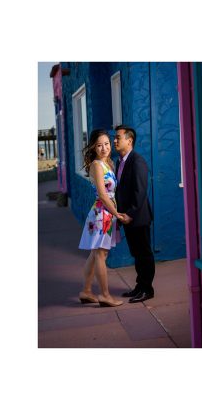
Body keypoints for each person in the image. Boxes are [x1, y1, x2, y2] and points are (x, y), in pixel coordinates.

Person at [78, 129, 124, 307]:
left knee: (96, 253)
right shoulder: (97, 165)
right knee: (100, 254)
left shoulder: (108, 163)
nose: (104, 148)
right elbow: (103, 196)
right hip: (102, 213)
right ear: (93, 147)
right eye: (99, 145)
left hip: (106, 213)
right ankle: (105, 295)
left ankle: (86, 291)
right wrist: (117, 214)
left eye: (106, 144)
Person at [113, 126, 156, 303]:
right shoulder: (120, 162)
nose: (114, 141)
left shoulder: (137, 161)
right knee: (137, 254)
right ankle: (140, 286)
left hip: (137, 217)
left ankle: (148, 289)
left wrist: (129, 214)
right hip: (127, 217)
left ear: (129, 141)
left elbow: (140, 192)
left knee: (144, 254)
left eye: (118, 138)